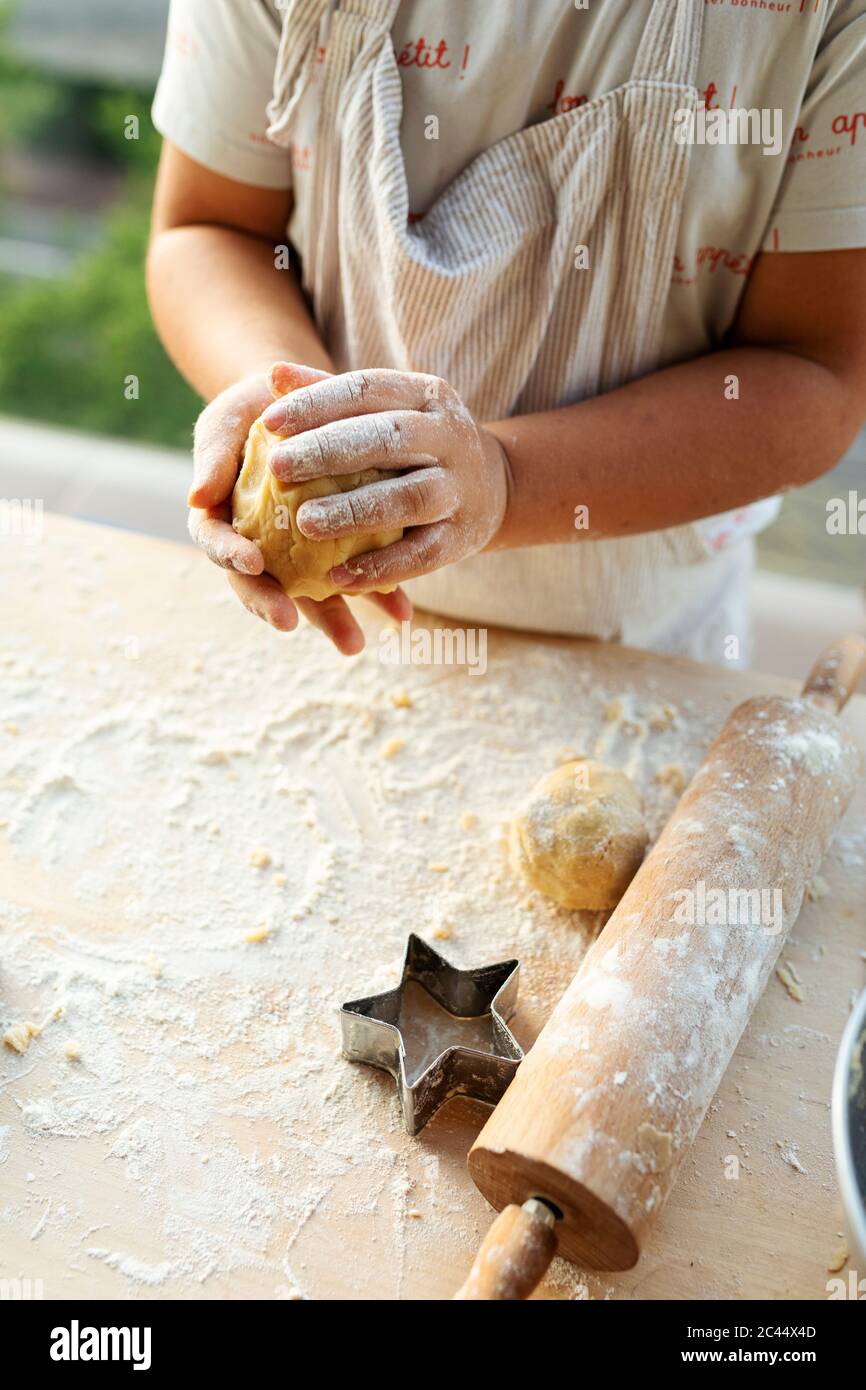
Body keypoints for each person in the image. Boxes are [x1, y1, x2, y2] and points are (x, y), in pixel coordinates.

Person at [147, 0, 866, 663]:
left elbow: (820, 373)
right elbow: (210, 227)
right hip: (332, 627)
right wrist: (291, 403)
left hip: (638, 646)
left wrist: (506, 478)